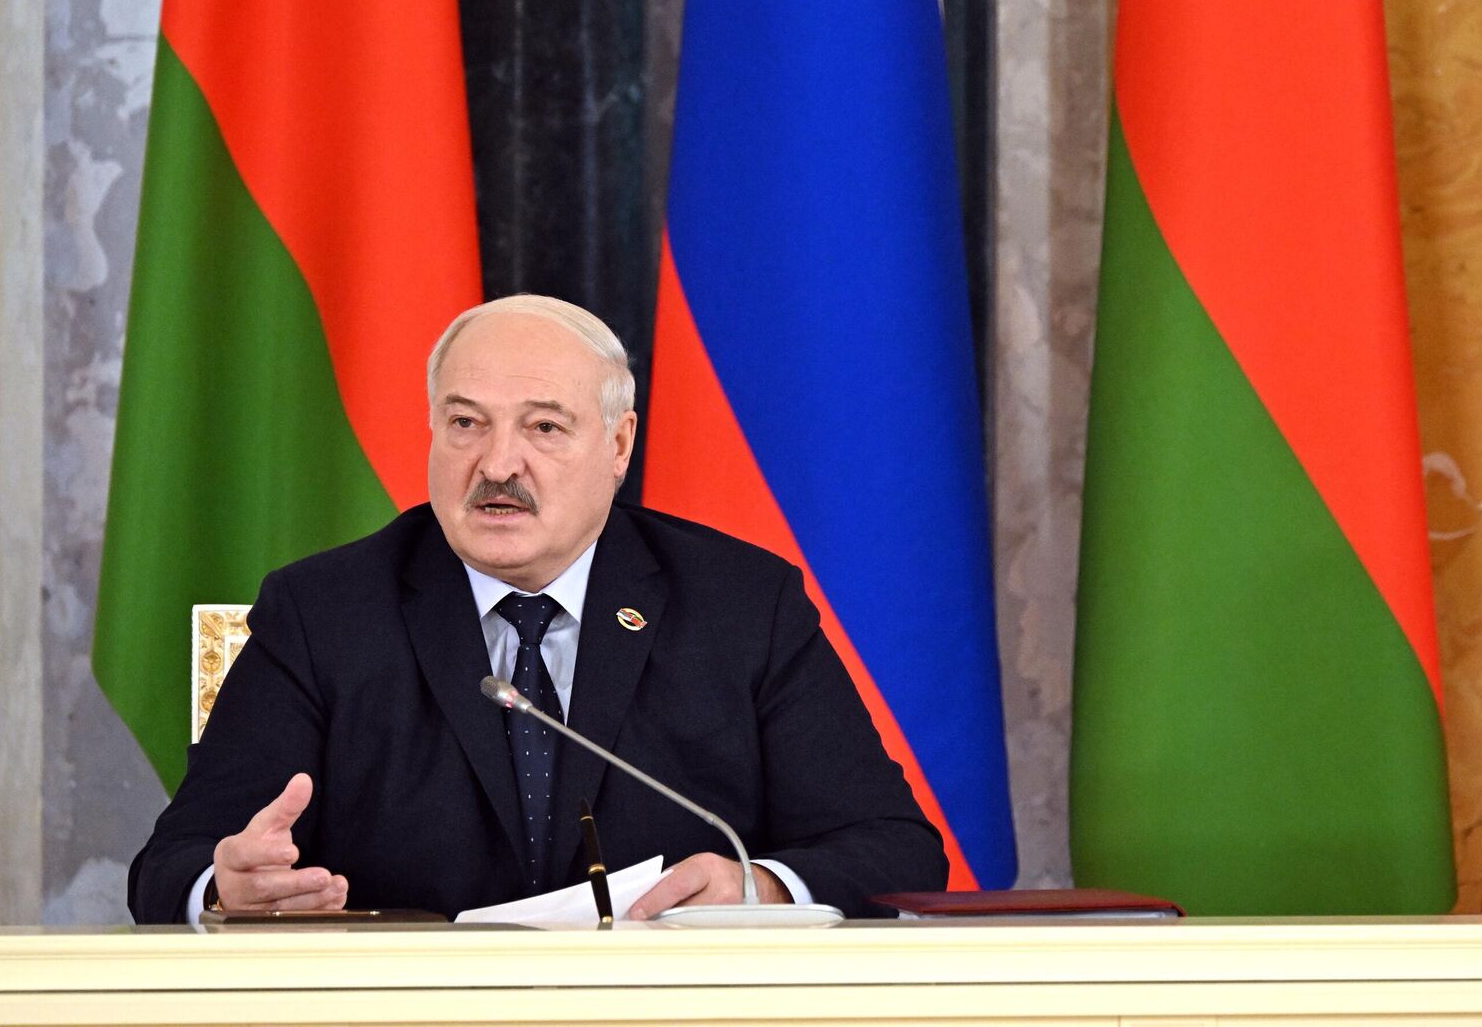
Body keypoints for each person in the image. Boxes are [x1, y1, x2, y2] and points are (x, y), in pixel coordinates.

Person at [127, 295, 947, 923]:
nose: (497, 464)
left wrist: (757, 885)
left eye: (544, 427)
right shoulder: (322, 613)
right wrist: (225, 887)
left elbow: (896, 848)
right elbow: (169, 865)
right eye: (465, 423)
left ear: (618, 445)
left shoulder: (741, 604)